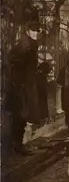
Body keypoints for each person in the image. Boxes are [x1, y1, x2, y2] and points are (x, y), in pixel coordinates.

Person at [4, 21, 42, 155]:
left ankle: (18, 145)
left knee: (22, 116)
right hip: (20, 88)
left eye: (38, 30)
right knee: (20, 116)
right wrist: (18, 82)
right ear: (28, 31)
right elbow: (12, 62)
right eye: (34, 30)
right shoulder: (25, 46)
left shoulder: (30, 45)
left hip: (25, 86)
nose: (36, 32)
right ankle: (17, 146)